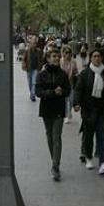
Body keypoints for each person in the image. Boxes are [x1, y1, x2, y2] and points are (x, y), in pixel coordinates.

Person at [73, 50, 104, 175]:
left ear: (101, 58)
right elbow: (78, 90)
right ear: (90, 58)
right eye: (94, 56)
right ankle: (88, 157)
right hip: (89, 109)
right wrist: (76, 103)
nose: (97, 58)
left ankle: (103, 163)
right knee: (88, 135)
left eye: (98, 56)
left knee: (102, 136)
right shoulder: (85, 73)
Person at [36, 48, 71, 181]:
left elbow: (68, 90)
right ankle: (54, 160)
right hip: (46, 109)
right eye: (54, 56)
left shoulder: (62, 74)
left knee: (56, 136)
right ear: (48, 58)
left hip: (58, 109)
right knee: (49, 135)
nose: (56, 58)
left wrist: (61, 92)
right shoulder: (42, 75)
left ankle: (55, 166)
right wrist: (52, 92)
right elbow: (38, 91)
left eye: (58, 56)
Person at [59, 46, 79, 124]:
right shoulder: (60, 61)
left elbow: (76, 71)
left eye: (69, 52)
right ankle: (66, 116)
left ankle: (68, 113)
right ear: (63, 53)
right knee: (65, 100)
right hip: (62, 85)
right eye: (66, 52)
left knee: (71, 100)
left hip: (71, 84)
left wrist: (77, 74)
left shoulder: (73, 62)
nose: (68, 54)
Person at [22, 36, 43, 101]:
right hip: (29, 68)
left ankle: (33, 95)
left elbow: (42, 59)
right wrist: (24, 65)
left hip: (36, 69)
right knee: (30, 83)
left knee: (34, 82)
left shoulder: (39, 51)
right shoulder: (27, 51)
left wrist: (41, 66)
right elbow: (24, 59)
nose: (33, 44)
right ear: (30, 44)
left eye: (34, 43)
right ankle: (31, 93)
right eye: (32, 43)